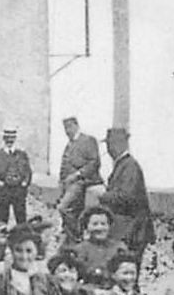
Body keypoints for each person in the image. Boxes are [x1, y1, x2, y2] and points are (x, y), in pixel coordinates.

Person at [91, 128, 153, 265]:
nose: (108, 150)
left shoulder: (130, 166)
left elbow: (126, 197)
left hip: (133, 230)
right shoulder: (123, 165)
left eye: (109, 145)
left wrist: (103, 194)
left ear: (118, 144)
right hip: (127, 228)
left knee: (127, 268)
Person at [55, 117, 102, 242]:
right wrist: (61, 182)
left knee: (63, 208)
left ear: (76, 125)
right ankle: (72, 236)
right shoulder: (69, 145)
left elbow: (94, 162)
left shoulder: (88, 140)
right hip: (68, 183)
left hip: (82, 181)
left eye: (69, 127)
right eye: (65, 128)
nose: (67, 131)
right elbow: (64, 166)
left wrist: (77, 174)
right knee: (71, 211)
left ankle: (76, 236)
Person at [0, 124, 33, 233]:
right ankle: (1, 242)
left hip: (18, 191)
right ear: (3, 139)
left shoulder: (22, 154)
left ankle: (21, 239)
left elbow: (28, 172)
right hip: (3, 191)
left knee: (21, 218)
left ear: (15, 139)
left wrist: (25, 182)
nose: (10, 141)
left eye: (12, 138)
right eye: (7, 138)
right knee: (2, 219)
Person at [66, 208, 123, 273]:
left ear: (109, 226)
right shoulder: (79, 250)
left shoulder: (119, 248)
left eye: (103, 224)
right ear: (86, 227)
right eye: (95, 224)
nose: (99, 228)